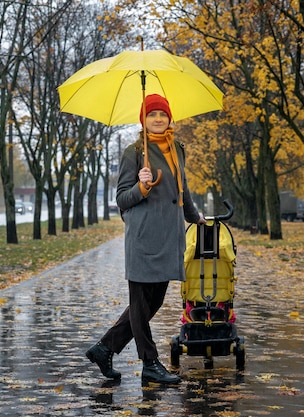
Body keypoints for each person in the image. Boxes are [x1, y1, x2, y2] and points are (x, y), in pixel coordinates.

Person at [86, 94, 206, 384]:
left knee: (154, 302)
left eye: (162, 114)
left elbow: (183, 189)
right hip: (142, 236)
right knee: (140, 303)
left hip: (169, 237)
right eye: (151, 114)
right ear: (143, 120)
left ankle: (104, 348)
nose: (157, 119)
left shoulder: (178, 149)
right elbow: (122, 200)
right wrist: (141, 186)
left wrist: (195, 216)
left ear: (169, 118)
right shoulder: (134, 152)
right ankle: (150, 363)